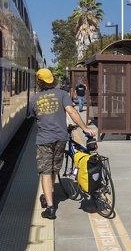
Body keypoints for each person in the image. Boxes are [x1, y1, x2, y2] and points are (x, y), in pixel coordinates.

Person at [28, 69, 96, 220]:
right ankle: (49, 193)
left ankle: (50, 208)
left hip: (44, 140)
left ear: (39, 82)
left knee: (45, 172)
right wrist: (85, 128)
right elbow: (71, 111)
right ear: (52, 80)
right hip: (61, 138)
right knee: (53, 170)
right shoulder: (62, 94)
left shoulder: (34, 99)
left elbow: (34, 117)